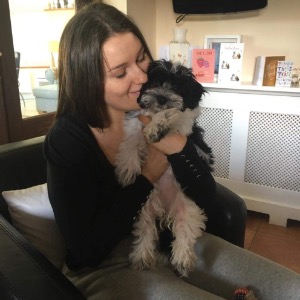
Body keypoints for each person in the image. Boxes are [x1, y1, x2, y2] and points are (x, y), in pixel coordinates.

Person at [43, 2, 300, 300]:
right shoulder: (67, 140)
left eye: (141, 58)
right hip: (105, 266)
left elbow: (204, 196)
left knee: (291, 288)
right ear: (88, 80)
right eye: (120, 72)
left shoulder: (158, 110)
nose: (141, 77)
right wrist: (149, 175)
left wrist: (179, 148)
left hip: (171, 239)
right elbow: (86, 248)